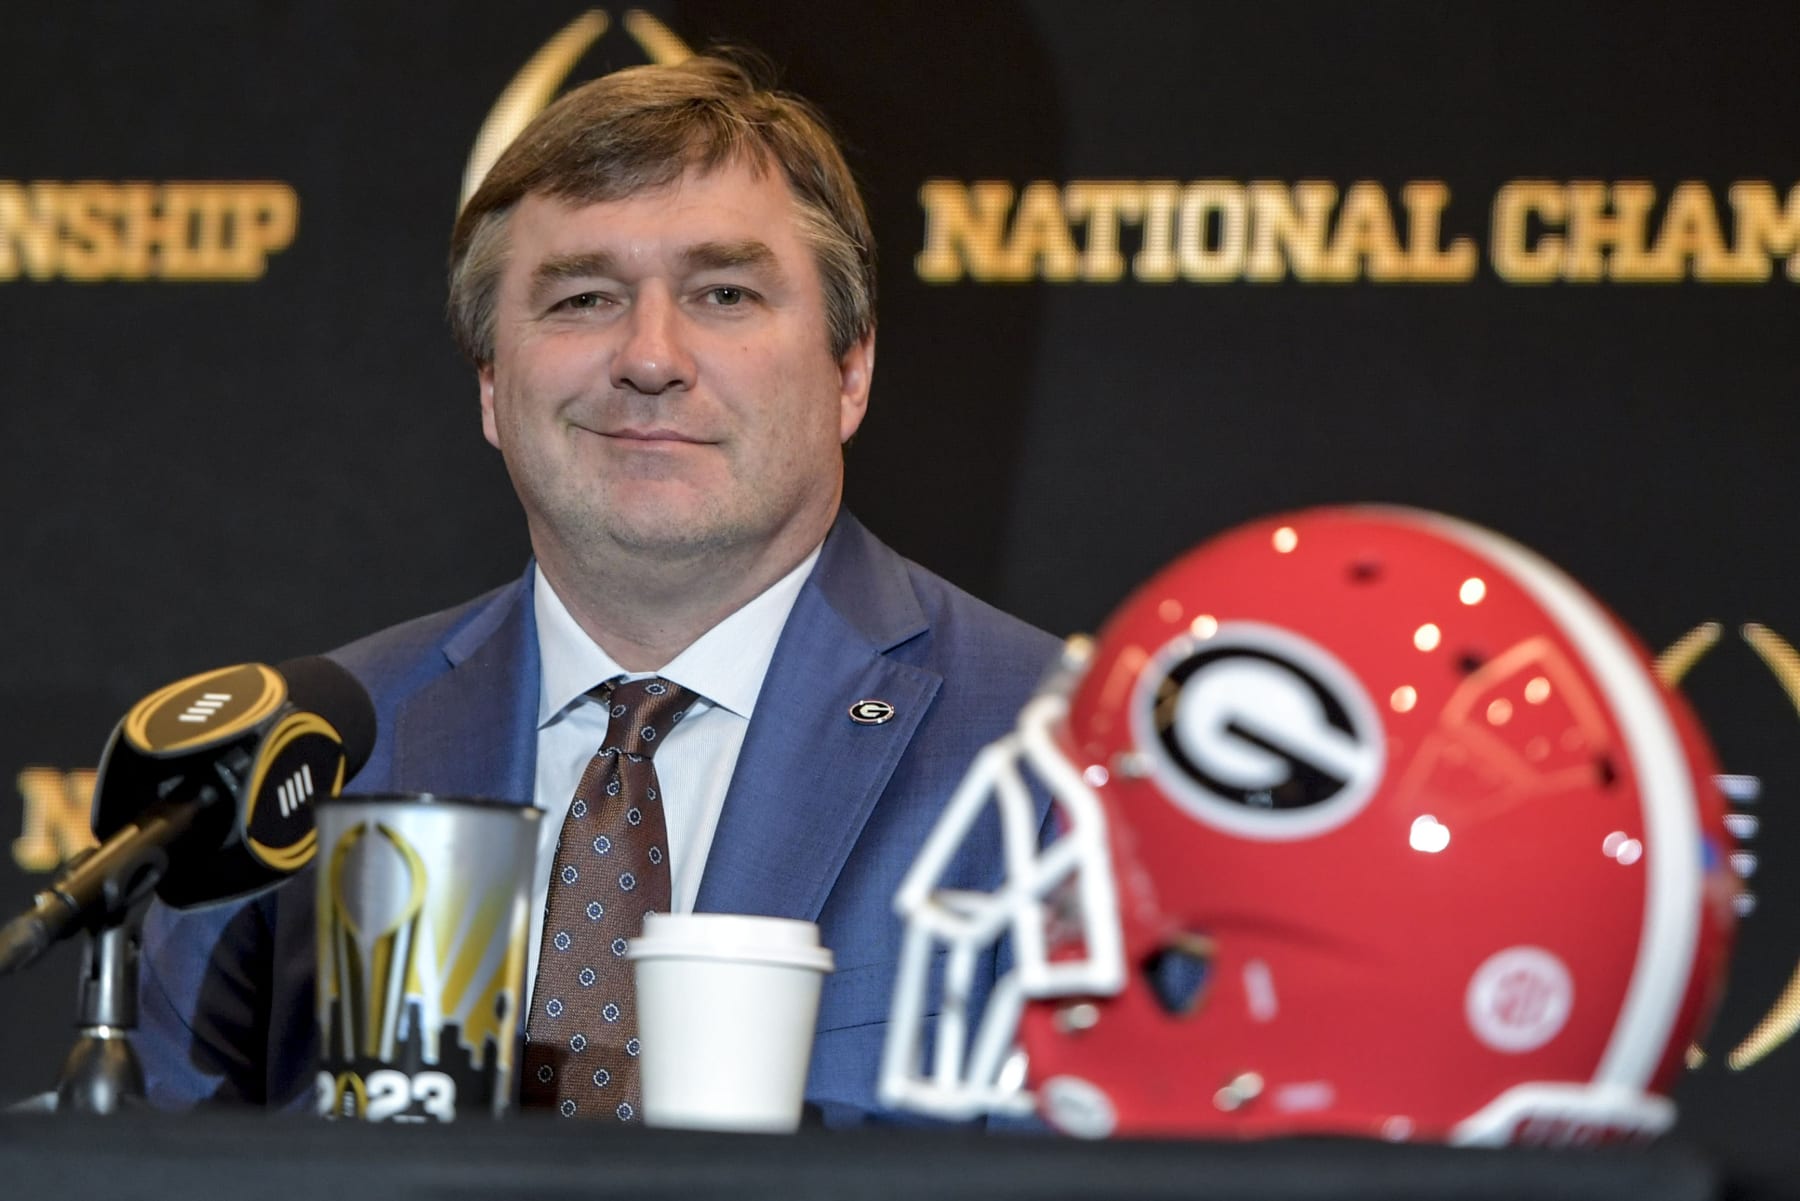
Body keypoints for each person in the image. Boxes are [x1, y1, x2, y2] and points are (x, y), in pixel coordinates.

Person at [135, 52, 1060, 1125]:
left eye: (724, 293)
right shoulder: (308, 764)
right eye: (583, 298)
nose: (650, 358)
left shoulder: (1055, 748)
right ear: (492, 384)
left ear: (850, 369)